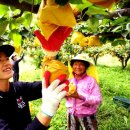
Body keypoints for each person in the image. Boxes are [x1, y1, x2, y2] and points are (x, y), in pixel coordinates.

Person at [0, 44, 68, 130]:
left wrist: (52, 57)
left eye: (6, 59)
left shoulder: (18, 88)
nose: (6, 63)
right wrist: (46, 112)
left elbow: (47, 85)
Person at [66, 54, 102, 130]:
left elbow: (98, 99)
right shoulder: (70, 80)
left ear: (85, 67)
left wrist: (80, 96)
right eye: (75, 64)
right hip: (71, 113)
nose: (78, 67)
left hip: (87, 115)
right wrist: (65, 94)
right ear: (72, 66)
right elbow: (67, 96)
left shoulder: (91, 81)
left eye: (81, 64)